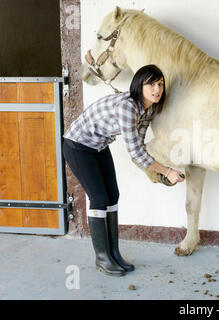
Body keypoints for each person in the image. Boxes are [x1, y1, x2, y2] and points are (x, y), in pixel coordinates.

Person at [63, 64, 184, 276]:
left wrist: (158, 172)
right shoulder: (127, 108)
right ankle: (102, 258)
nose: (157, 89)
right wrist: (166, 172)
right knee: (99, 198)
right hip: (78, 145)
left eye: (160, 84)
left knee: (113, 195)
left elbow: (139, 143)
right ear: (140, 85)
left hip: (99, 145)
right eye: (151, 84)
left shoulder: (148, 109)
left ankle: (114, 254)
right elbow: (135, 152)